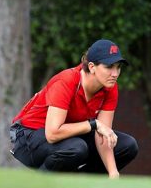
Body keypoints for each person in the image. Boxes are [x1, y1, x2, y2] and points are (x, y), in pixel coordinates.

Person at [10, 39, 138, 178]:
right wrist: (93, 124)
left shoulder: (110, 87)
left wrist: (113, 173)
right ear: (91, 67)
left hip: (67, 134)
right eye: (109, 67)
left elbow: (103, 136)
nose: (115, 73)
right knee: (76, 148)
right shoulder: (67, 81)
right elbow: (52, 134)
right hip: (27, 136)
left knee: (128, 146)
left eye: (118, 67)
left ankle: (83, 187)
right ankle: (37, 187)